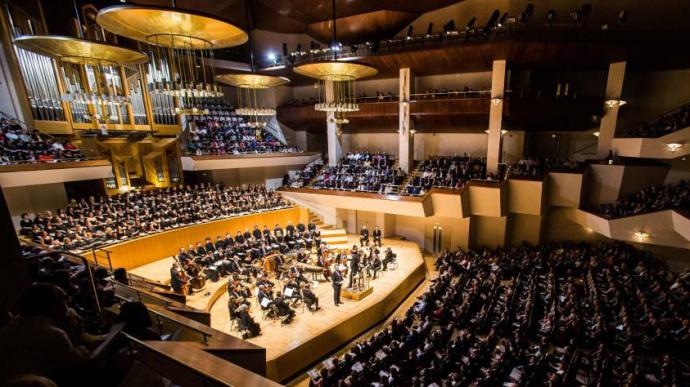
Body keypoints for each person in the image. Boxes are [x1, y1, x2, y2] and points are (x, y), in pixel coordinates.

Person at [0, 284, 89, 384]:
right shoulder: (53, 333)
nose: (68, 307)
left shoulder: (17, 322)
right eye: (64, 301)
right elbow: (82, 361)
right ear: (54, 305)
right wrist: (73, 329)